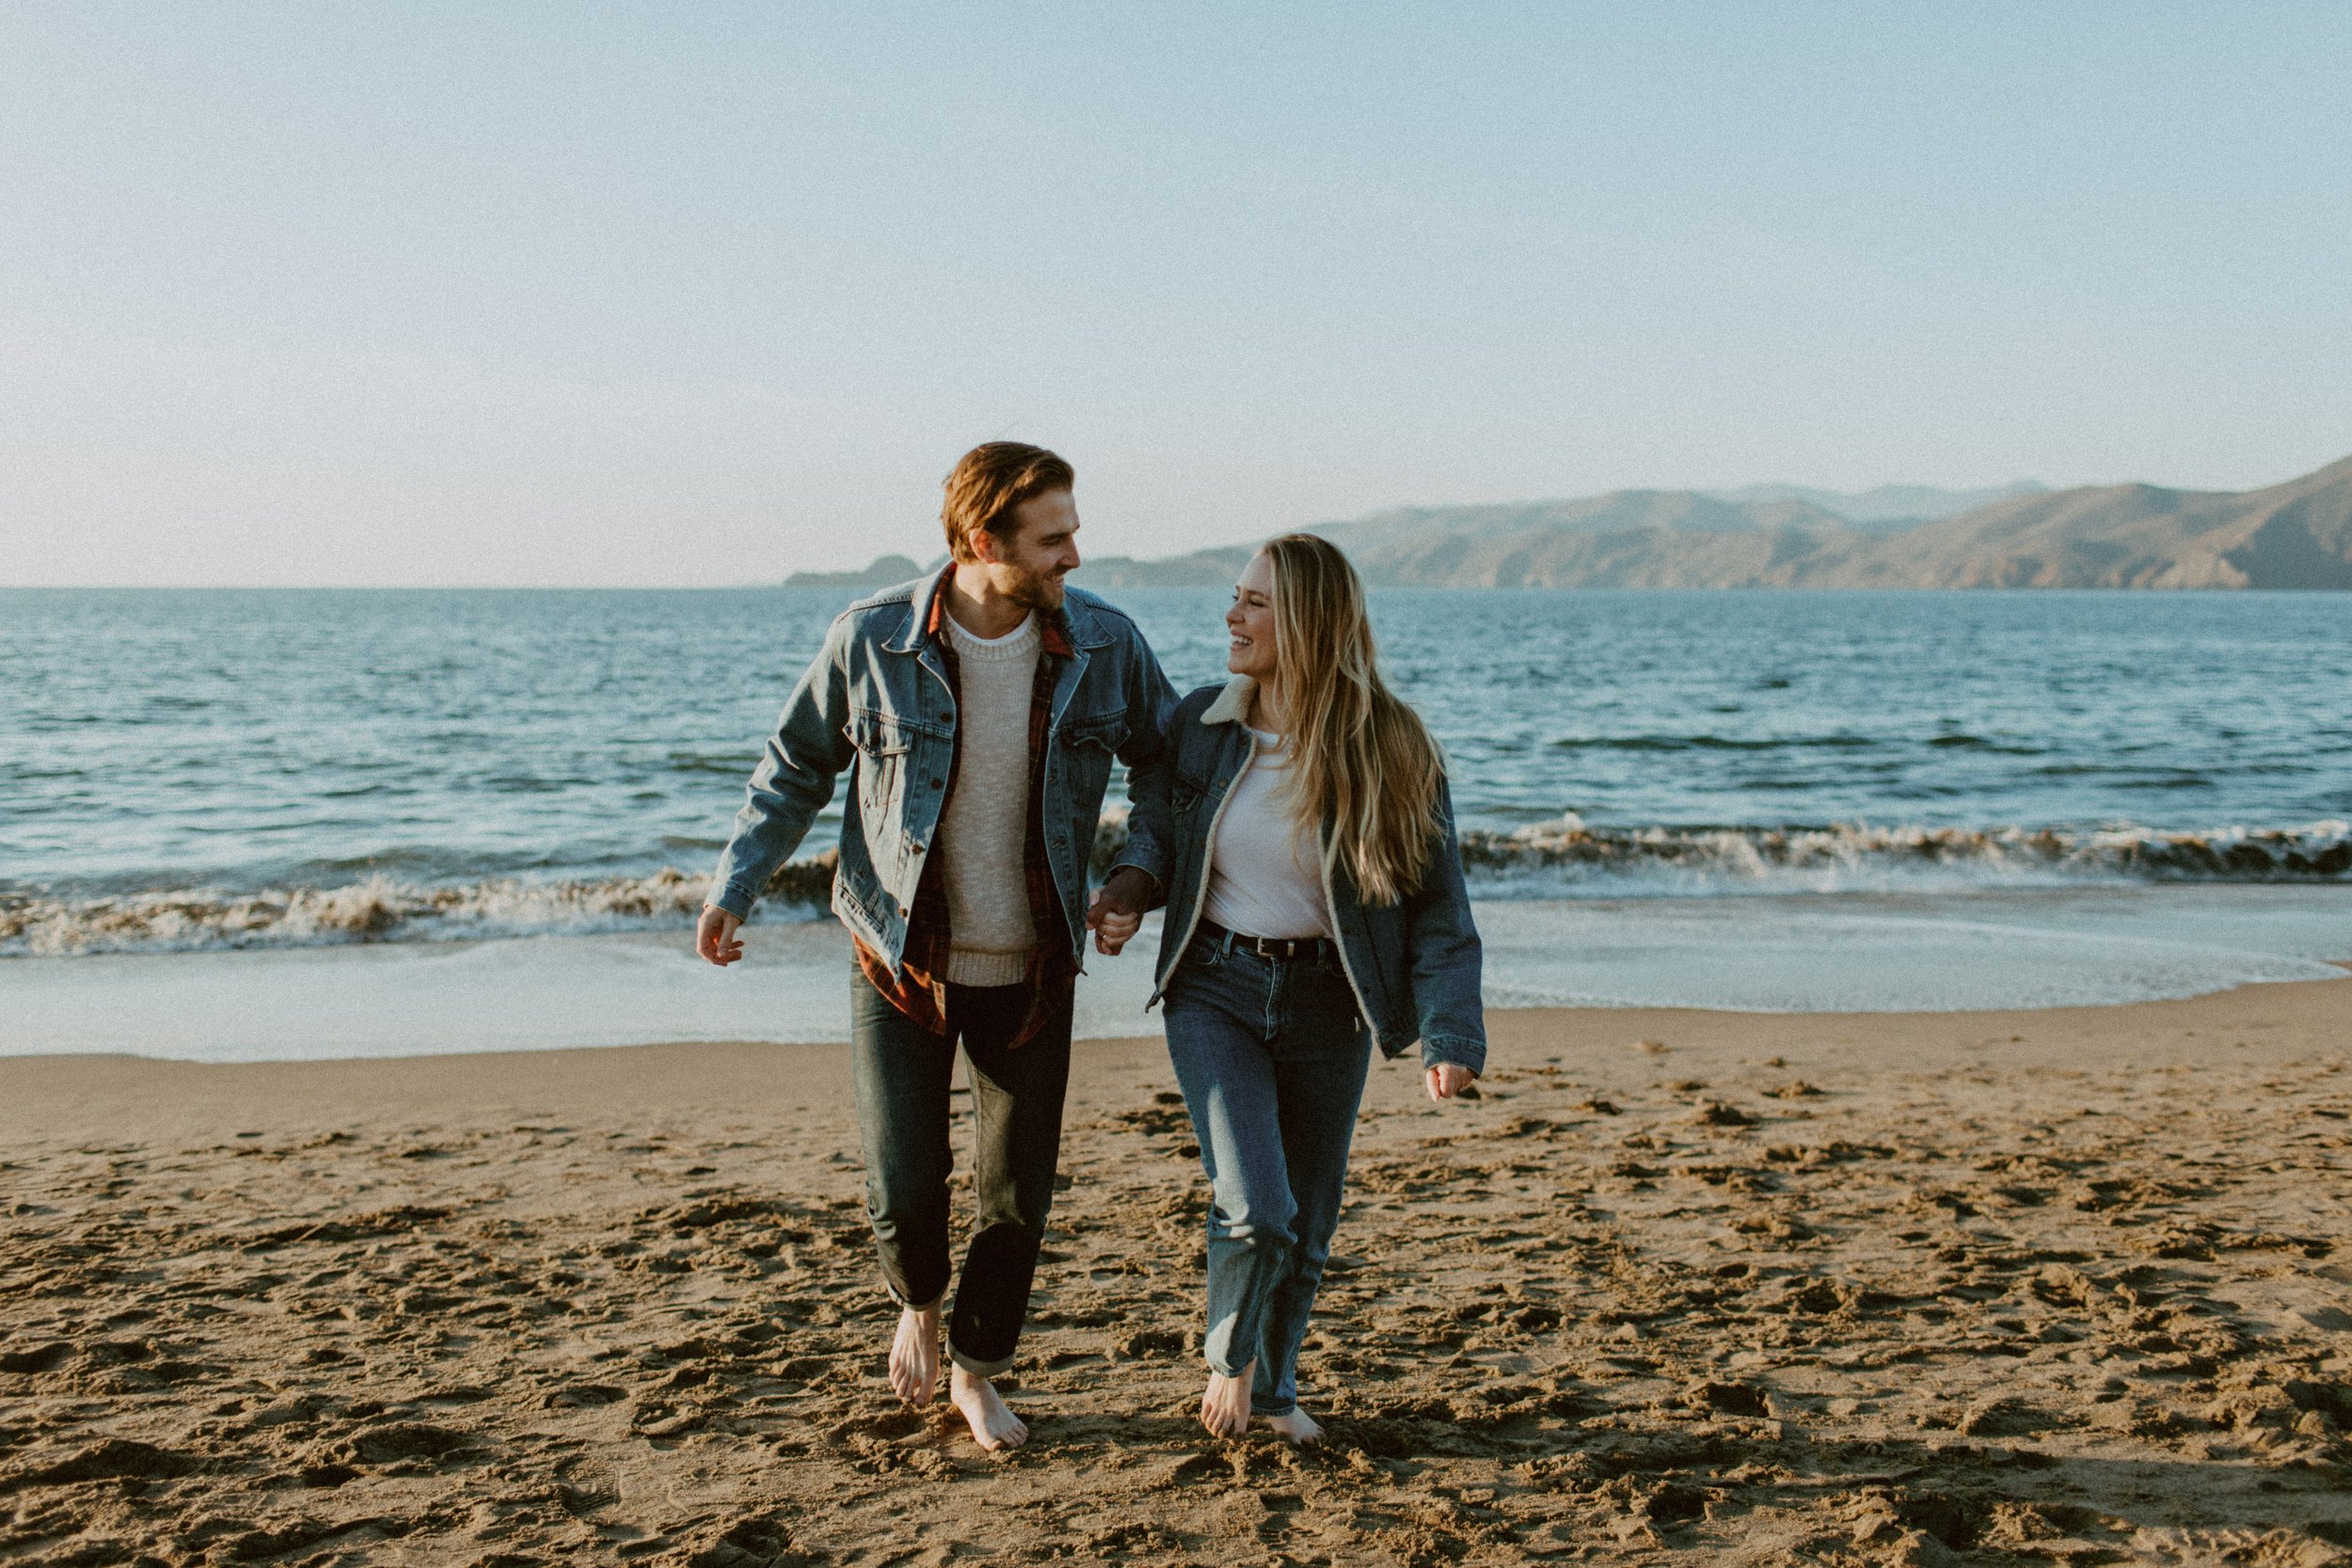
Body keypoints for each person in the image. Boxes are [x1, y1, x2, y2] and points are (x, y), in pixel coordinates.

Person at [697, 442, 1174, 1451]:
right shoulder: (871, 639)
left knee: (1014, 1195)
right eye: (1054, 538)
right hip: (898, 954)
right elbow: (794, 768)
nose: (1074, 556)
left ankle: (978, 1371)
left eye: (1073, 530)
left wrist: (1135, 875)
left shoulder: (1105, 645)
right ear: (978, 541)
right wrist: (736, 884)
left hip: (1034, 966)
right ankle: (916, 1300)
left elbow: (1173, 770)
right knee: (904, 1178)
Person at [1097, 532, 1485, 1445]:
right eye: (1234, 597)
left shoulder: (1389, 742)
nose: (1232, 615)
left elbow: (1437, 902)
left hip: (1329, 1003)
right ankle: (1230, 1362)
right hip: (1214, 987)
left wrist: (1450, 1032)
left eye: (1254, 602)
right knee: (1255, 1203)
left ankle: (1274, 1390)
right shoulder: (1203, 722)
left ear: (1308, 620)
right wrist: (1130, 885)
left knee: (1306, 1223)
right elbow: (1157, 815)